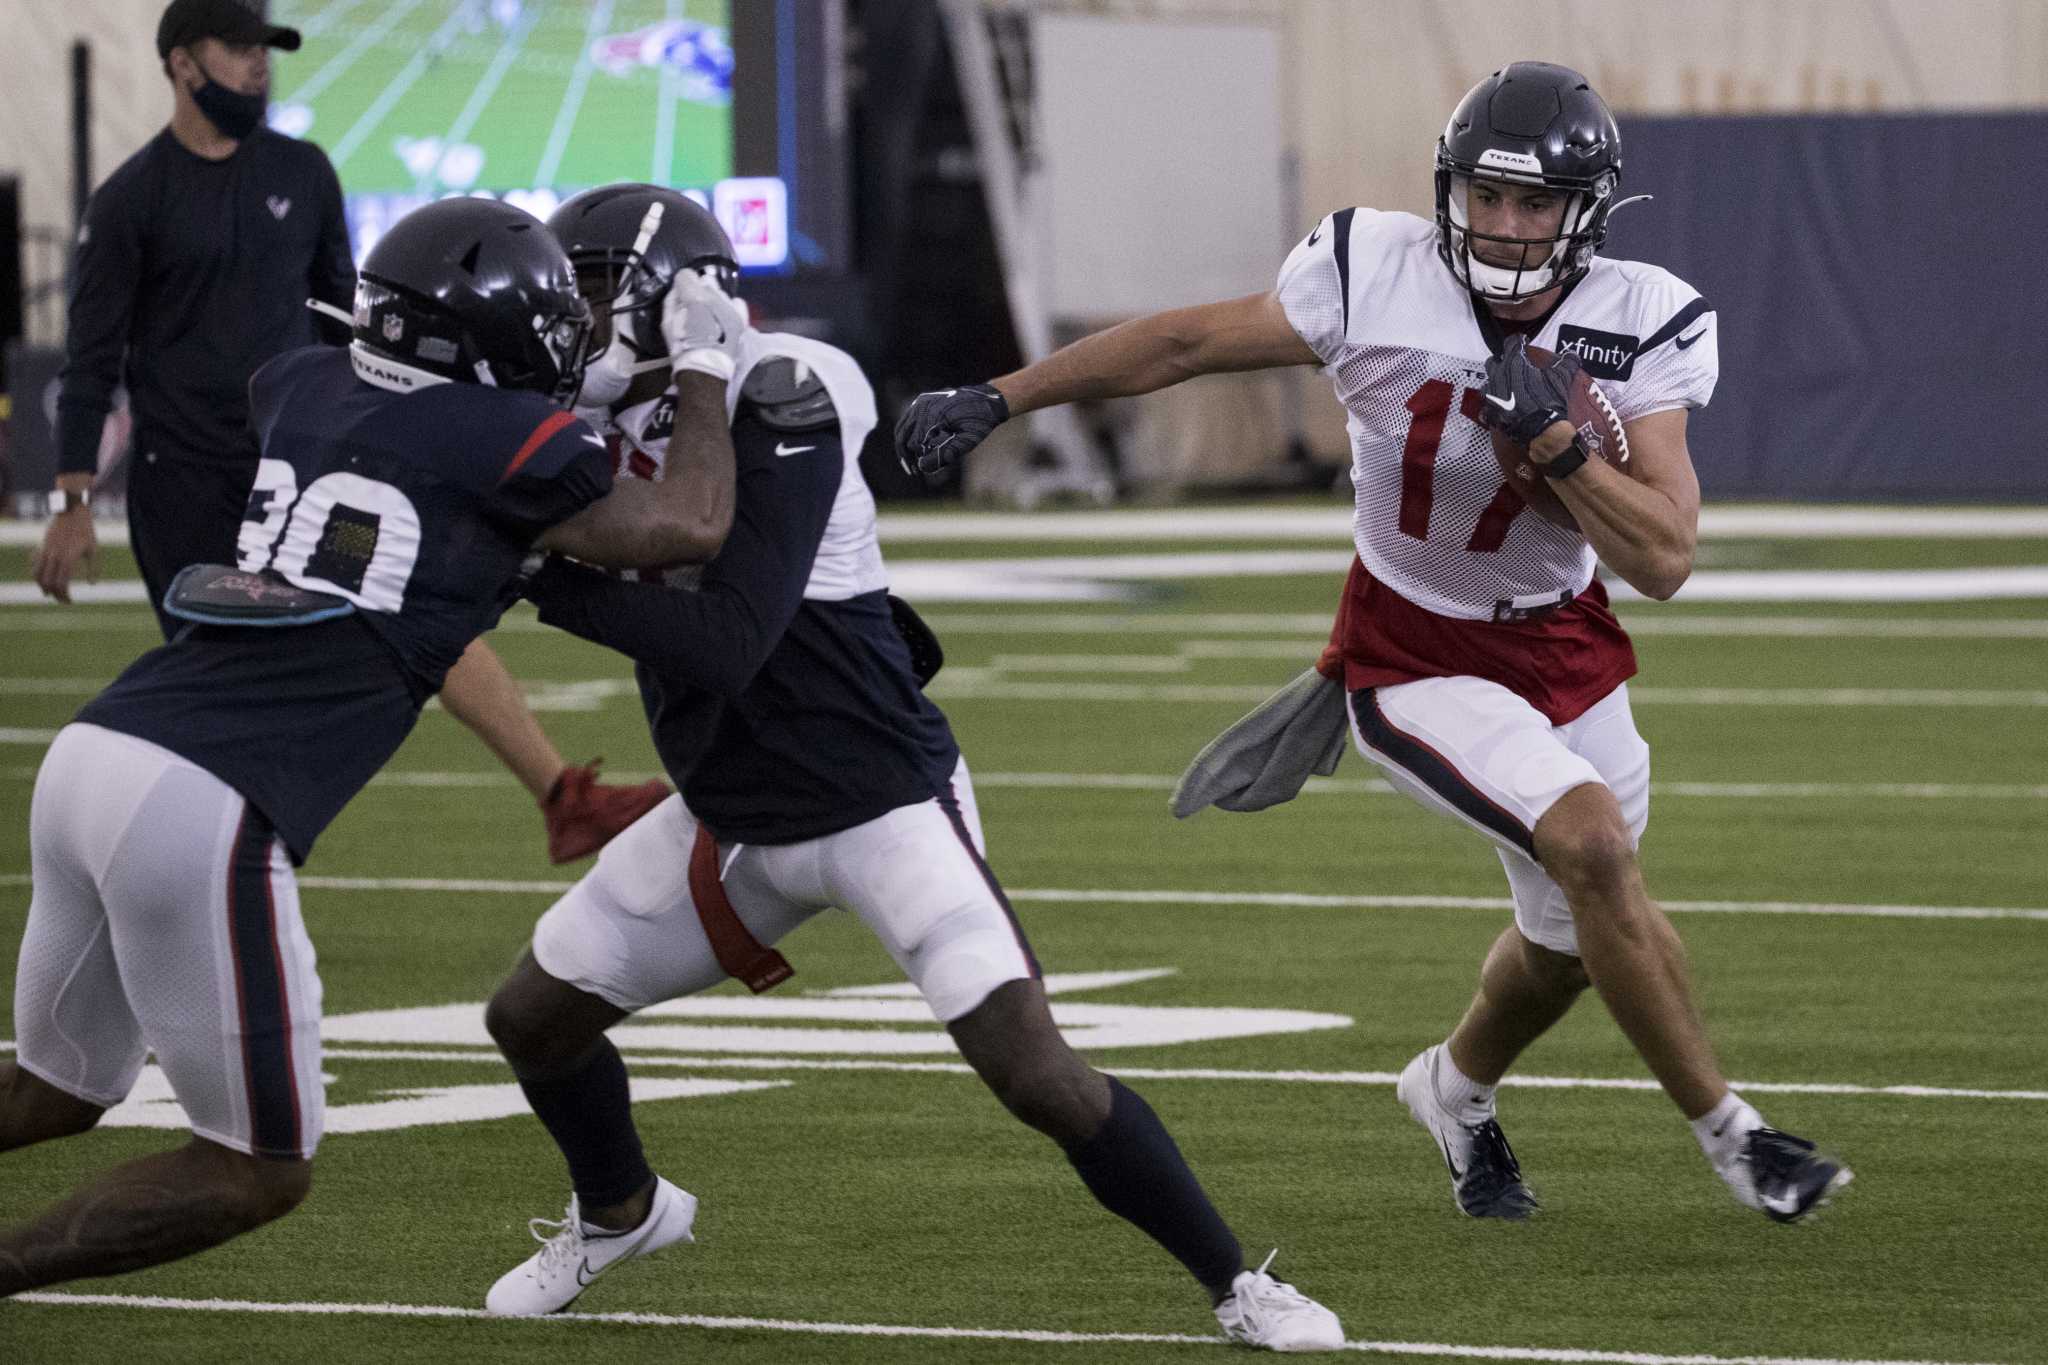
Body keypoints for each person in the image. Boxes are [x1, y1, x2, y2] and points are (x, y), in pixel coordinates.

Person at [896, 62, 1851, 1225]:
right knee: (1591, 852)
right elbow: (1187, 344)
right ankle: (1737, 1138)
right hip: (1414, 654)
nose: (1501, 229)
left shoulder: (1641, 315)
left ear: (1585, 213)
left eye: (1532, 205)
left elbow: (1660, 559)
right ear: (1446, 189)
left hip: (1568, 648)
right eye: (1483, 198)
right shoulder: (1372, 271)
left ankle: (1451, 1090)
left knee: (1562, 945)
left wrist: (1555, 448)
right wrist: (1001, 397)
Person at [475, 185, 1344, 1352]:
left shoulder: (790, 385)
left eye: (585, 295)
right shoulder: (582, 419)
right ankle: (620, 1212)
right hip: (732, 812)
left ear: (681, 299)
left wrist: (536, 575)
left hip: (877, 794)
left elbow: (729, 640)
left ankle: (1239, 1284)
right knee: (531, 1018)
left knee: (1035, 1074)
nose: (563, 324)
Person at [0, 196, 741, 1295]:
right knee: (258, 1169)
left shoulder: (300, 385)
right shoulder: (505, 442)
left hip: (99, 751)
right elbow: (688, 523)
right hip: (203, 802)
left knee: (48, 1093)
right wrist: (703, 372)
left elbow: (410, 422)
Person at [30, 0, 666, 864]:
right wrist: (72, 494)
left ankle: (557, 792)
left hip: (317, 444)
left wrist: (389, 427)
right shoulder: (133, 198)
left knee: (412, 600)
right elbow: (92, 353)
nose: (258, 65)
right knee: (233, 666)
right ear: (182, 62)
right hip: (188, 473)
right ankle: (218, 844)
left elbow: (359, 318)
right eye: (238, 46)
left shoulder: (304, 168)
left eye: (265, 48)